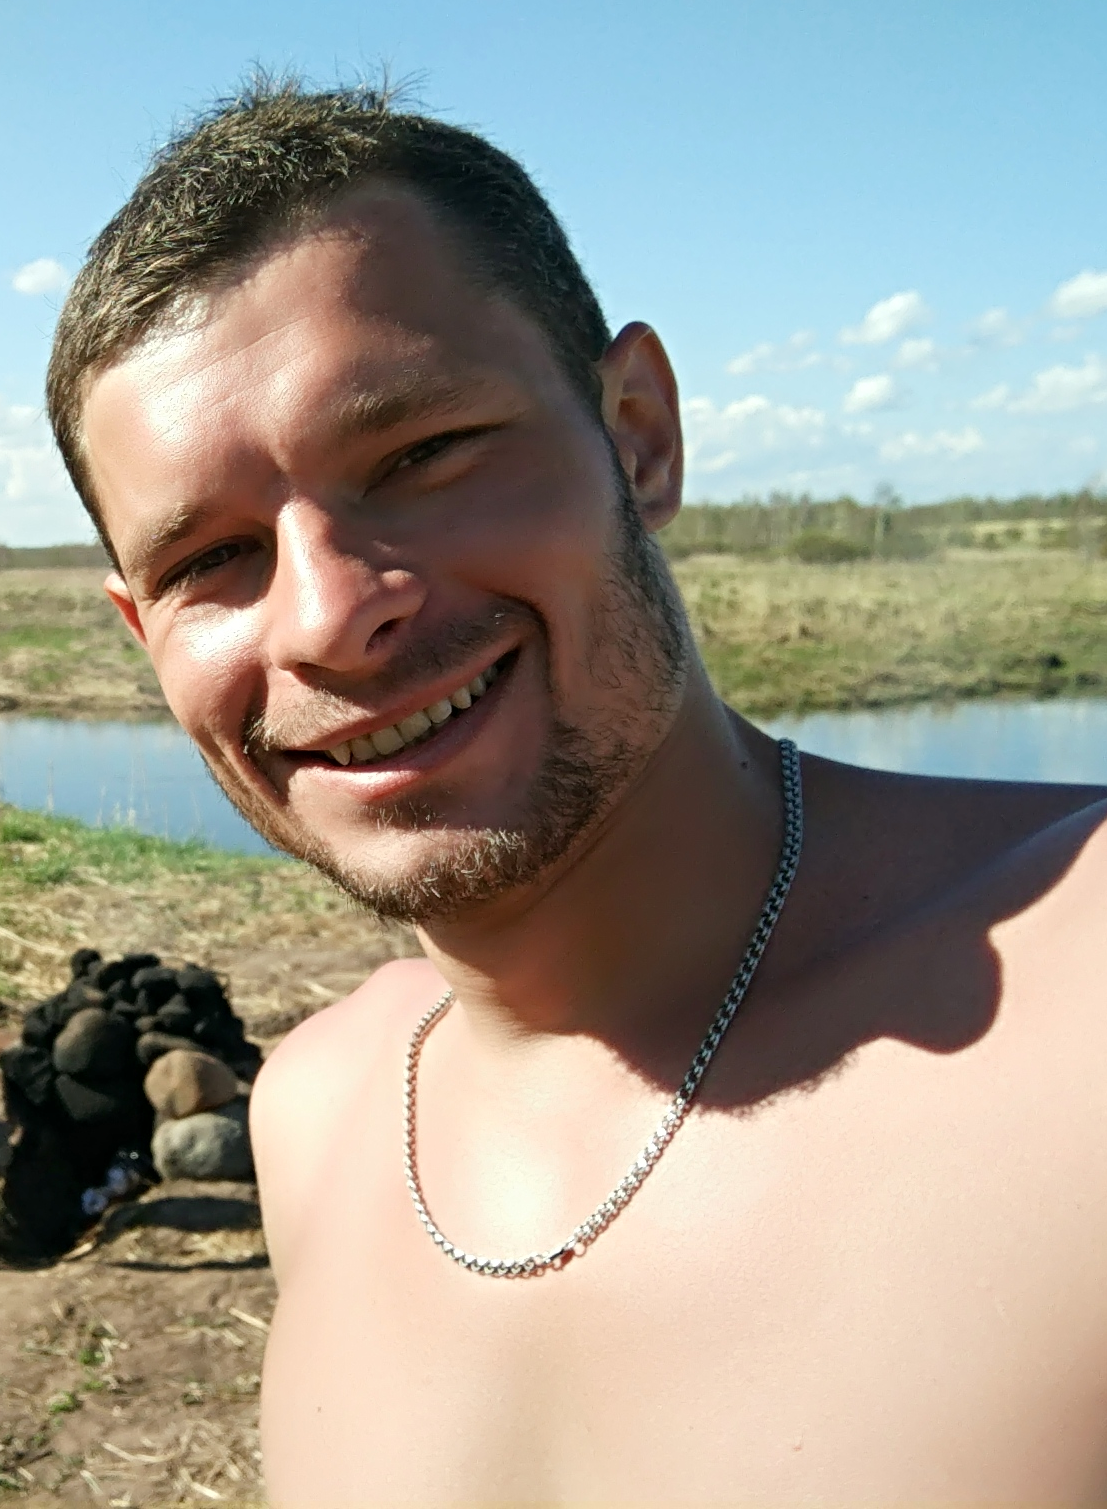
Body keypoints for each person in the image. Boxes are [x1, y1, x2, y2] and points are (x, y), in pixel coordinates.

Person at [47, 77, 1107, 1507]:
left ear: (638, 435)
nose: (326, 617)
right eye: (210, 561)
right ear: (142, 635)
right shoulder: (320, 1117)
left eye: (421, 456)